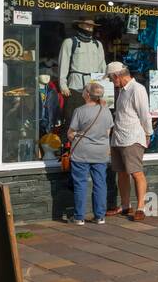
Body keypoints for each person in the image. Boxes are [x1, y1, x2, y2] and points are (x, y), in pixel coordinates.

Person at [105, 61, 153, 221]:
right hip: (118, 138)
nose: (112, 82)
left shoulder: (137, 89)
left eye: (112, 79)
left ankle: (141, 207)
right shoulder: (122, 91)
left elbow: (145, 114)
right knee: (121, 173)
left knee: (136, 172)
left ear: (117, 76)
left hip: (132, 138)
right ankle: (125, 206)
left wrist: (148, 134)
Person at [65, 81, 112, 225]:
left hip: (82, 152)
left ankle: (79, 217)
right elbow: (108, 132)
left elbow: (71, 133)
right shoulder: (106, 110)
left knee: (80, 184)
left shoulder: (80, 111)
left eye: (84, 90)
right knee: (100, 183)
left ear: (87, 94)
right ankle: (100, 216)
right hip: (101, 152)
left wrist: (74, 135)